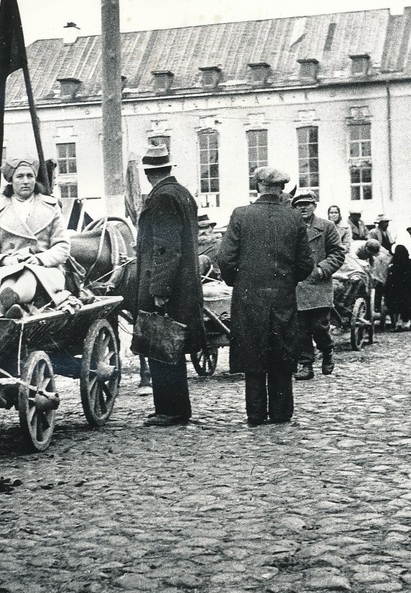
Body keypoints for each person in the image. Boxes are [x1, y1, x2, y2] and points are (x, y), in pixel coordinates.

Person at [217, 167, 313, 426]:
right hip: (282, 296)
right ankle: (281, 413)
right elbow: (306, 264)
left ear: (258, 186)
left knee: (253, 353)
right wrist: (287, 280)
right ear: (282, 189)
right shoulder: (294, 218)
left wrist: (236, 281)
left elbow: (225, 258)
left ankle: (256, 414)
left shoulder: (241, 215)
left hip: (248, 297)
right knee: (281, 353)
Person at [134, 144, 207, 427]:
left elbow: (166, 248)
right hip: (185, 283)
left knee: (162, 345)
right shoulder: (182, 194)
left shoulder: (162, 198)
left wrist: (159, 290)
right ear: (167, 168)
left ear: (148, 173)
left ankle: (172, 410)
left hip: (169, 286)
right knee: (169, 347)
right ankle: (171, 407)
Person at [0, 156, 72, 318]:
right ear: (11, 180)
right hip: (8, 270)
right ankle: (11, 304)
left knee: (29, 272)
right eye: (20, 176)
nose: (25, 181)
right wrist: (6, 260)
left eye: (30, 176)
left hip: (47, 270)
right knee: (10, 278)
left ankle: (6, 306)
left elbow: (62, 247)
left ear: (35, 178)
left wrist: (40, 259)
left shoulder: (51, 207)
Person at [291, 191, 345, 379]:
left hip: (319, 285)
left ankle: (327, 350)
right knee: (300, 329)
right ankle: (306, 365)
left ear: (314, 206)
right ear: (294, 207)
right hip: (296, 286)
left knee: (319, 327)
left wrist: (321, 270)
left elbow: (338, 253)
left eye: (307, 204)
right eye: (299, 205)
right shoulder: (289, 227)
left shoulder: (327, 227)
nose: (303, 208)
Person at [384, 244, 411, 331]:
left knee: (403, 304)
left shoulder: (394, 266)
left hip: (400, 289)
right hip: (410, 288)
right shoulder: (409, 263)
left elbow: (391, 280)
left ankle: (405, 323)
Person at [197, 213, 222, 279]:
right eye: (199, 228)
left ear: (212, 228)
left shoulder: (220, 245)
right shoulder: (189, 248)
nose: (203, 231)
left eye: (206, 227)